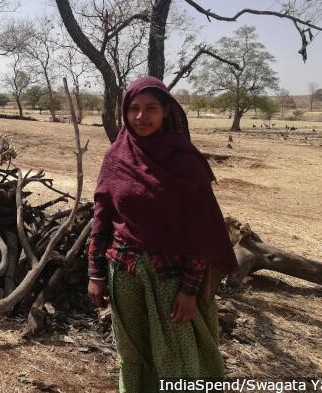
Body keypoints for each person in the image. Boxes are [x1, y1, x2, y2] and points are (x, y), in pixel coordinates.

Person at [87, 76, 237, 393]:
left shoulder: (186, 161)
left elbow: (200, 228)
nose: (141, 116)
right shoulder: (116, 157)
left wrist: (190, 289)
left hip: (171, 280)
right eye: (134, 108)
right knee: (133, 355)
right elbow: (102, 218)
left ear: (167, 110)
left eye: (151, 108)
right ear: (124, 111)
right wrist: (96, 274)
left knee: (177, 357)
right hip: (124, 275)